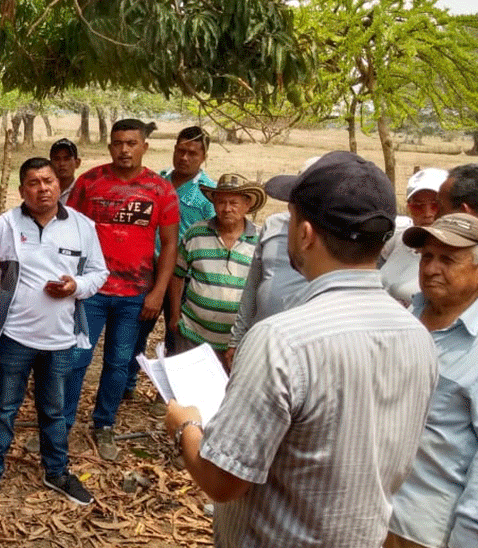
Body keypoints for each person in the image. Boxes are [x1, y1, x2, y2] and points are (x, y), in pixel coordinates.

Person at [164, 151, 439, 548]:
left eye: (290, 217)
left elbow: (222, 481)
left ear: (305, 233)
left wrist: (186, 425)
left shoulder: (281, 339)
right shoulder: (418, 336)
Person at [0, 157, 109, 512]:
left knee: (54, 410)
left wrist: (75, 286)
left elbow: (99, 272)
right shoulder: (5, 225)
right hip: (14, 335)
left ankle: (57, 472)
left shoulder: (82, 225)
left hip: (61, 338)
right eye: (33, 182)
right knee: (4, 408)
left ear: (59, 185)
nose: (42, 188)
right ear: (22, 190)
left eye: (48, 181)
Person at [64, 118, 179, 461]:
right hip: (91, 292)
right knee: (75, 359)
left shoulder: (160, 190)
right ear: (109, 145)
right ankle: (60, 424)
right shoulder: (89, 183)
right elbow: (67, 233)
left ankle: (104, 424)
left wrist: (157, 292)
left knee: (118, 362)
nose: (124, 149)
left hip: (135, 295)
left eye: (131, 143)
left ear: (144, 146)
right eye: (118, 143)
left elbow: (171, 244)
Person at [386, 213, 478, 548]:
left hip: (424, 531)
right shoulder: (407, 318)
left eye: (448, 259)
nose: (430, 269)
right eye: (426, 257)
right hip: (370, 513)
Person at [125, 126, 217, 396]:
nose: (185, 158)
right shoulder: (157, 180)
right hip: (148, 270)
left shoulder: (208, 193)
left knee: (177, 332)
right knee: (136, 329)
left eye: (193, 153)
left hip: (185, 278)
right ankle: (127, 383)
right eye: (181, 150)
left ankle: (173, 393)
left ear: (203, 156)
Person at [224, 157, 318, 367]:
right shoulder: (273, 224)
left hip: (300, 344)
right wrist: (237, 338)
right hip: (261, 334)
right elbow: (252, 285)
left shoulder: (330, 236)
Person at [167, 173, 264, 362]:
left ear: (247, 205)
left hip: (237, 343)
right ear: (213, 204)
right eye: (221, 202)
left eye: (233, 203)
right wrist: (174, 314)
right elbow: (177, 275)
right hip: (192, 335)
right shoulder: (195, 233)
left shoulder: (261, 240)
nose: (226, 209)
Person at [379, 167, 447, 306]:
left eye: (435, 205)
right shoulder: (398, 236)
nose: (427, 213)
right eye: (418, 206)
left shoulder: (460, 255)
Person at [49, 138, 82, 204]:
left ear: (77, 163)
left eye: (67, 159)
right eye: (57, 159)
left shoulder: (83, 192)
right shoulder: (45, 191)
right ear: (50, 165)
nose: (62, 164)